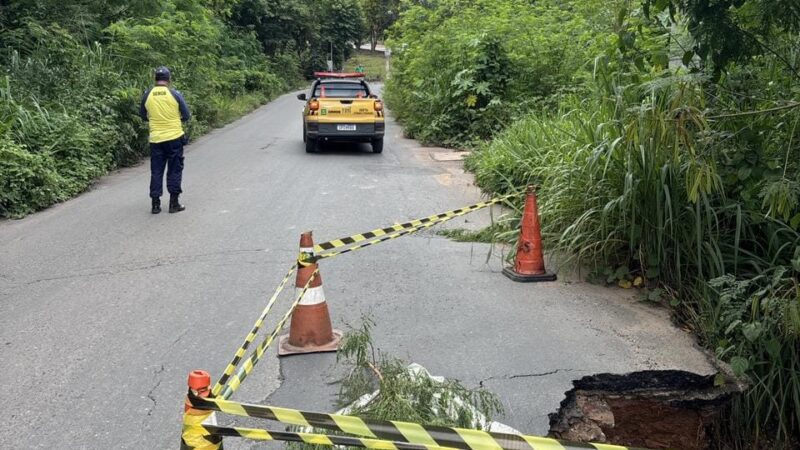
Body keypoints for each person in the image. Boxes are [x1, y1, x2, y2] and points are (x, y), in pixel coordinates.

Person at [139, 66, 191, 214]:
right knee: (174, 170)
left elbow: (142, 115)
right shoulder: (175, 94)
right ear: (169, 80)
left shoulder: (147, 94)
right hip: (174, 138)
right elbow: (186, 116)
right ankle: (174, 204)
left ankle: (155, 205)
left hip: (156, 139)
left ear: (155, 79)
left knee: (156, 171)